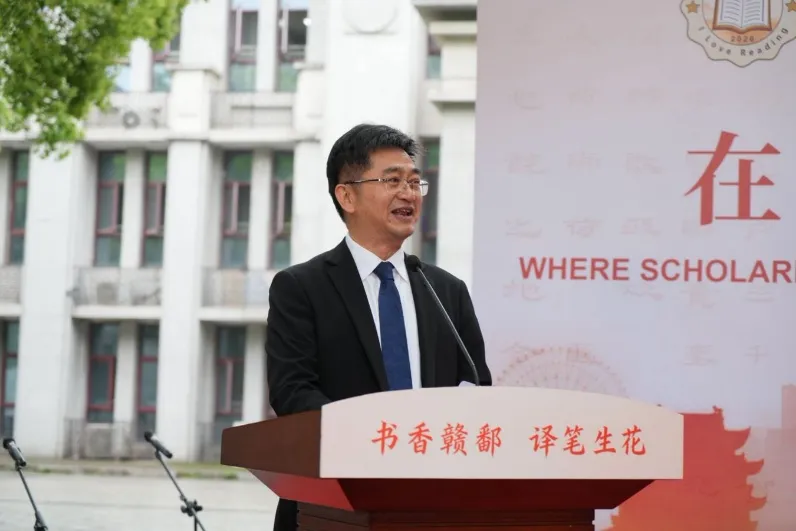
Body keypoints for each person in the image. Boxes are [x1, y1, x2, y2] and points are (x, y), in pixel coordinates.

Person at [265, 123, 492, 531]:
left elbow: (476, 382)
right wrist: (379, 439)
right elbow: (292, 392)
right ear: (347, 196)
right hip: (333, 504)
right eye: (392, 181)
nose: (408, 193)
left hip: (434, 506)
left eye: (415, 182)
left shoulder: (446, 290)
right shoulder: (301, 288)